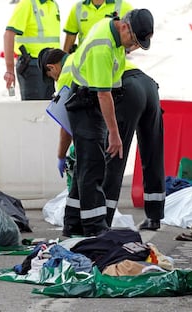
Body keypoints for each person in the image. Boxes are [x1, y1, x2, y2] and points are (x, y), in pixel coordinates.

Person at [45, 9, 155, 237]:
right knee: (93, 167)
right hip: (85, 104)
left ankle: (73, 224)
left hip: (89, 103)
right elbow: (103, 94)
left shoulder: (112, 30)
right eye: (133, 41)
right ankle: (95, 226)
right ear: (125, 27)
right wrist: (114, 134)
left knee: (84, 168)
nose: (132, 47)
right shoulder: (102, 47)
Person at [3, 0, 60, 100]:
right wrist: (9, 70)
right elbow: (8, 35)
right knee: (33, 110)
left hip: (49, 67)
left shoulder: (53, 4)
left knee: (47, 108)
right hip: (31, 66)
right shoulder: (27, 4)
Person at [63, 0, 133, 53]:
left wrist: (126, 50)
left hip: (111, 63)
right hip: (83, 63)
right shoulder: (77, 8)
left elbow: (139, 37)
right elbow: (69, 43)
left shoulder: (124, 6)